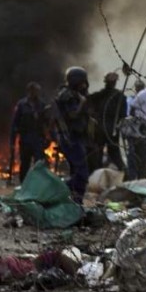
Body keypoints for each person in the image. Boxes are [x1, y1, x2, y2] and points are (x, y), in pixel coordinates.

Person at [54, 66, 91, 203]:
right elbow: (73, 115)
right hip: (71, 138)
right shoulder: (68, 96)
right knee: (82, 174)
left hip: (73, 137)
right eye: (82, 81)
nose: (84, 84)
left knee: (76, 171)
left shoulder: (69, 93)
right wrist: (82, 103)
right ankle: (58, 189)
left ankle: (75, 202)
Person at [87, 72, 128, 173]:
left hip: (104, 129)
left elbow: (123, 116)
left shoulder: (115, 97)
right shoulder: (119, 97)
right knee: (111, 154)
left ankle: (99, 174)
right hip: (108, 130)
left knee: (102, 155)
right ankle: (124, 173)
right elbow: (123, 116)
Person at [9, 82, 49, 183]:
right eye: (33, 91)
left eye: (37, 91)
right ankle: (23, 184)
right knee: (25, 163)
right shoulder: (21, 105)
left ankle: (37, 185)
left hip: (38, 139)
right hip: (25, 138)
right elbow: (15, 124)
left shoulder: (42, 105)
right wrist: (12, 142)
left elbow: (47, 123)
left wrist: (49, 138)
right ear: (29, 91)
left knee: (39, 164)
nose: (35, 93)